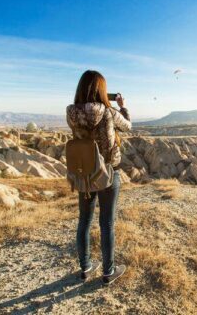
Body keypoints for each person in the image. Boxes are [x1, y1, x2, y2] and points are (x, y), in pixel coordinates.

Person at [66, 70, 131, 285]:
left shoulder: (71, 113)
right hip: (108, 173)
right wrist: (122, 106)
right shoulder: (109, 112)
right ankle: (108, 272)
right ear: (102, 90)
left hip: (84, 173)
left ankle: (85, 268)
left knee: (84, 221)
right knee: (107, 223)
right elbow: (128, 126)